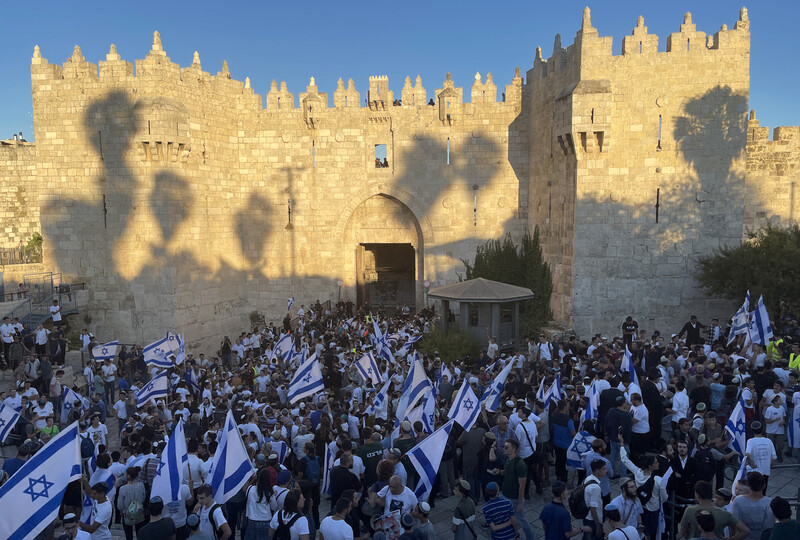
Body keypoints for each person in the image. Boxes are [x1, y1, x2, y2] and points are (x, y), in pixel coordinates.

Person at [679, 481, 748, 540]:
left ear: (697, 495)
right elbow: (745, 531)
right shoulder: (725, 514)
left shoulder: (690, 510)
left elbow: (682, 532)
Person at [499, 438, 534, 540]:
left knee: (522, 520)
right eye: (504, 447)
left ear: (514, 449)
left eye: (506, 447)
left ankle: (530, 537)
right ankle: (514, 534)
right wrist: (499, 471)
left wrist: (519, 503)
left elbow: (522, 485)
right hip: (505, 494)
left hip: (514, 498)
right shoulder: (508, 459)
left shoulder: (520, 464)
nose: (504, 449)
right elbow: (506, 472)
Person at [731, 472, 774, 540]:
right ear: (764, 486)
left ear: (747, 484)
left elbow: (734, 523)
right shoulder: (769, 502)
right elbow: (769, 526)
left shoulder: (738, 501)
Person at [116, 466, 148, 540]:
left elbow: (120, 505)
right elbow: (143, 498)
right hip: (139, 512)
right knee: (139, 534)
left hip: (127, 514)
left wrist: (122, 510)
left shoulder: (123, 488)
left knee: (128, 536)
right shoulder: (141, 486)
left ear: (128, 476)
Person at [744, 422, 777, 492]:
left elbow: (747, 454)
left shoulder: (751, 441)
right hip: (765, 471)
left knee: (752, 492)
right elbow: (774, 457)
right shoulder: (769, 441)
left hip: (753, 472)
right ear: (763, 430)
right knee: (763, 492)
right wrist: (768, 464)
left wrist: (750, 463)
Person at [244, 470, 273, 540]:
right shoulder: (270, 492)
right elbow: (273, 506)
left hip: (252, 521)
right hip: (266, 521)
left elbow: (245, 491)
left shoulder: (250, 489)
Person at [583, 459, 606, 540]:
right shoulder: (596, 488)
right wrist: (598, 526)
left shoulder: (588, 478)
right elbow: (593, 508)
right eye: (603, 469)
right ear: (597, 471)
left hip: (586, 516)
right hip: (592, 520)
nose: (606, 471)